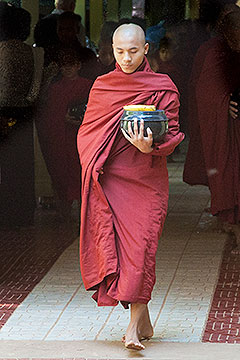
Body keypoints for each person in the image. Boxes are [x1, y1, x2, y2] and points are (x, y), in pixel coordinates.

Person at [77, 23, 184, 350]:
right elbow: (87, 132)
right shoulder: (103, 86)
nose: (126, 58)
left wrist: (150, 147)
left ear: (146, 49)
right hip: (111, 179)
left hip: (146, 180)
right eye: (120, 51)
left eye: (133, 51)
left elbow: (174, 133)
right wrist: (94, 165)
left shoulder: (162, 86)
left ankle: (134, 328)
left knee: (141, 247)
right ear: (111, 48)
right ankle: (141, 323)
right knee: (123, 253)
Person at [183, 7, 240, 249]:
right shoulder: (215, 51)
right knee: (231, 175)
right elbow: (204, 89)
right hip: (229, 126)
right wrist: (223, 103)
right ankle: (234, 226)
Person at [36, 49, 93, 219]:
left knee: (80, 174)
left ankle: (84, 214)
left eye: (71, 65)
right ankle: (64, 213)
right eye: (64, 66)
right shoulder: (54, 89)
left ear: (78, 66)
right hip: (60, 138)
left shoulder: (88, 85)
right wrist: (63, 119)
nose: (67, 69)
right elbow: (49, 115)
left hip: (79, 138)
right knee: (60, 174)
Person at [0, 3, 35, 228]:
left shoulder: (3, 50)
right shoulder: (30, 51)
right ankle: (23, 213)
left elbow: (3, 85)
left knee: (5, 166)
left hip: (3, 112)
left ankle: (7, 214)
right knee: (22, 163)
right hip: (24, 113)